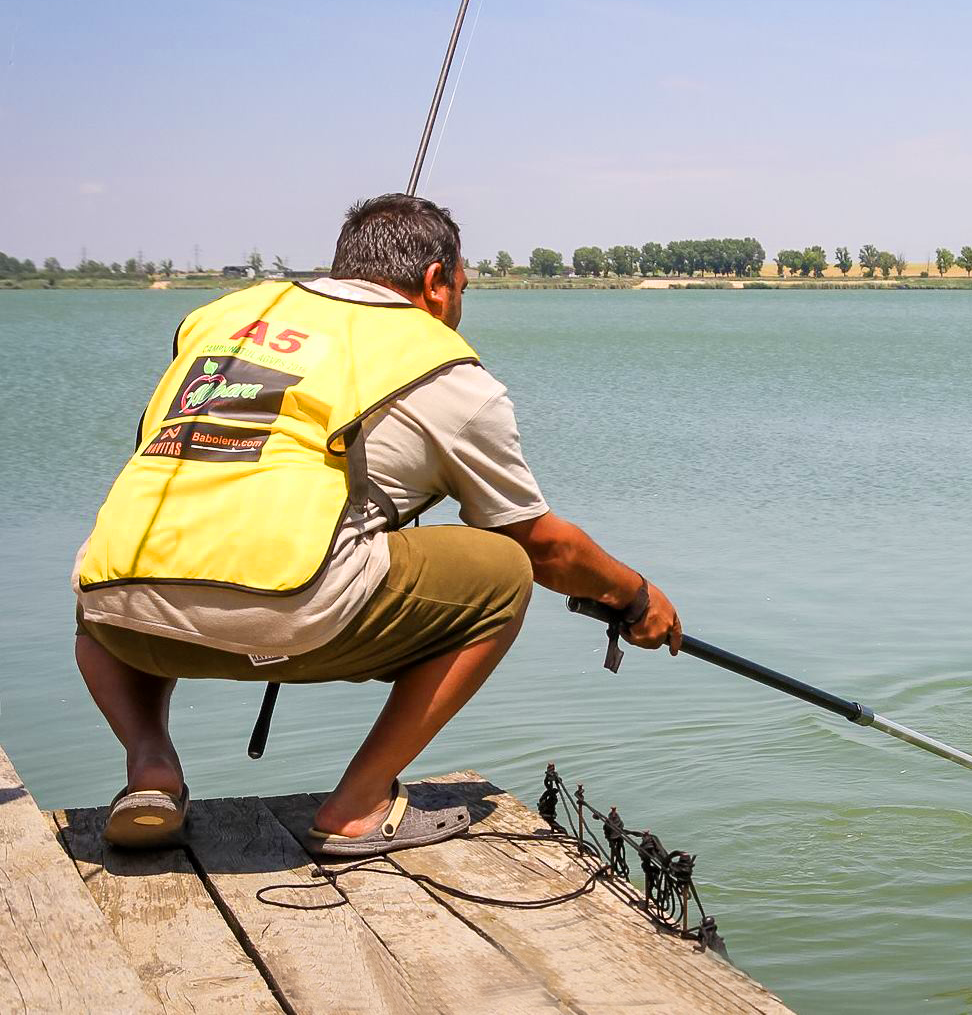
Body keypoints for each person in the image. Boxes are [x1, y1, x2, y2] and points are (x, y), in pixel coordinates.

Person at [72, 194, 680, 855]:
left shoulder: (223, 318)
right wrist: (635, 595)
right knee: (503, 575)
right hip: (286, 613)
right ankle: (357, 805)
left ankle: (150, 767)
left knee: (119, 550)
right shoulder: (443, 367)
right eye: (464, 287)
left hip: (118, 622)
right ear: (436, 283)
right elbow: (543, 548)